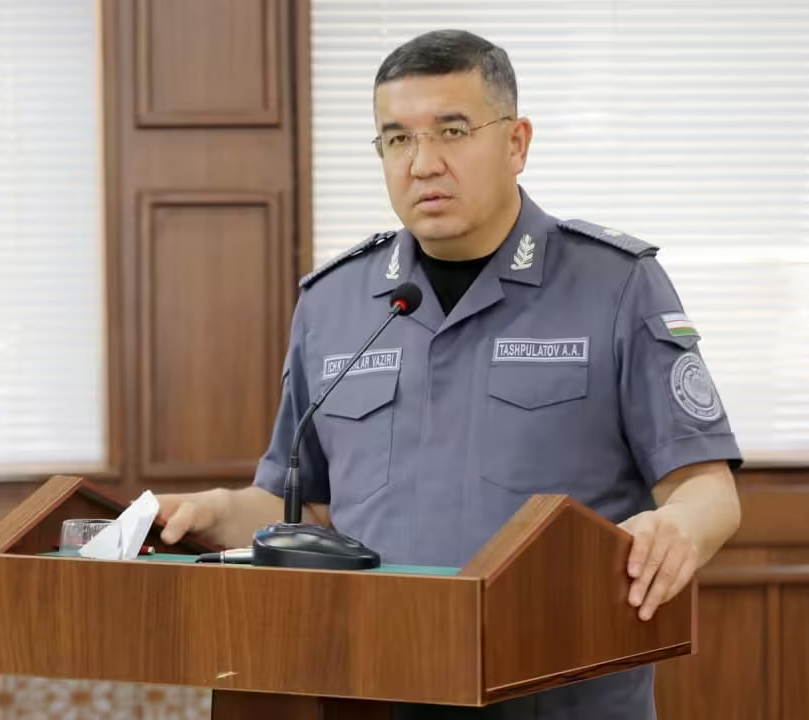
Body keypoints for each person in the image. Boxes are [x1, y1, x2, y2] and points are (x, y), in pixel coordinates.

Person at [157, 29, 743, 719]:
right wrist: (215, 512)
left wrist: (677, 530)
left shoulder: (615, 285)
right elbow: (307, 511)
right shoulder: (333, 303)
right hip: (374, 689)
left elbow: (706, 489)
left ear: (517, 143)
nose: (423, 163)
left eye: (452, 131)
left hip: (561, 692)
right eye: (397, 139)